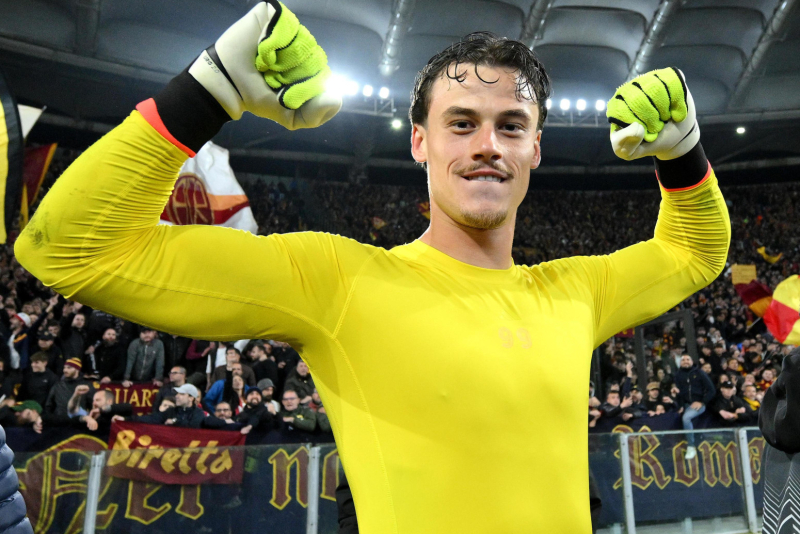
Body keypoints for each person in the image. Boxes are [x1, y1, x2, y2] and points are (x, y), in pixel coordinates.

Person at [13, 4, 730, 530]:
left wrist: (683, 152)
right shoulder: (339, 281)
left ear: (535, 150)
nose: (487, 144)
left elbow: (695, 250)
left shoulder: (575, 292)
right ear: (419, 143)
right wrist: (209, 90)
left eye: (511, 126)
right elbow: (68, 247)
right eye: (461, 123)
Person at [116, 384, 225, 429]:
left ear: (191, 398)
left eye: (181, 394)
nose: (177, 396)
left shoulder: (198, 413)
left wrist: (174, 421)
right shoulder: (171, 411)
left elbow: (192, 427)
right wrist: (126, 419)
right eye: (177, 393)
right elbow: (152, 418)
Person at [674, 354, 716, 459]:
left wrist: (702, 402)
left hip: (698, 404)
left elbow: (711, 390)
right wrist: (680, 405)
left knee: (686, 418)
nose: (685, 361)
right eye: (683, 360)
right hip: (685, 404)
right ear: (680, 363)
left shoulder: (699, 373)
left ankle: (691, 446)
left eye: (688, 359)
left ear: (692, 361)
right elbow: (679, 393)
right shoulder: (677, 375)